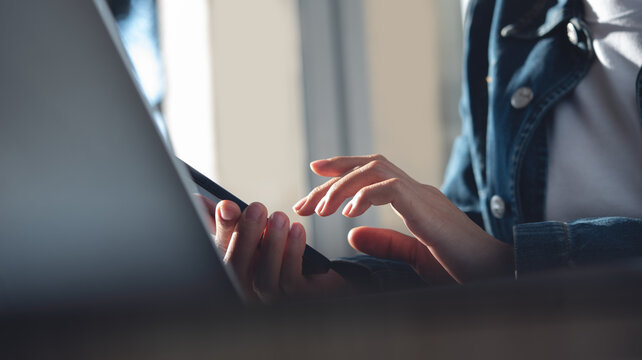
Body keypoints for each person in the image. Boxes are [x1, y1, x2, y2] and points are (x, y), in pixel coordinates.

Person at [201, 0, 642, 303]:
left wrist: (507, 264)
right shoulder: (502, 10)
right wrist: (350, 290)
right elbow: (467, 239)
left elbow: (489, 259)